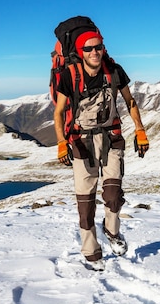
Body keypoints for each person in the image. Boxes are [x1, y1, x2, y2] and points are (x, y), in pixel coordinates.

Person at [53, 18, 149, 270]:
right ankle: (91, 252)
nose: (95, 52)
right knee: (85, 205)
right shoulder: (68, 76)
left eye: (98, 47)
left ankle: (112, 232)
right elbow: (60, 112)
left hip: (112, 137)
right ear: (80, 52)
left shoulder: (114, 71)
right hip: (81, 141)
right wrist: (62, 142)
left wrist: (140, 130)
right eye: (89, 49)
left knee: (113, 194)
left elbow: (130, 102)